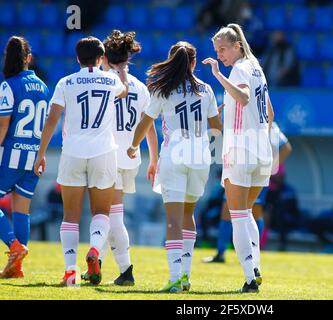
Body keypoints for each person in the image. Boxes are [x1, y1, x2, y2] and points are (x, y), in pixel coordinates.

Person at [128, 41, 222, 293]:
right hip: (200, 157)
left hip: (174, 156)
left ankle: (175, 276)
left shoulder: (162, 89)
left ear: (171, 61)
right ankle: (186, 276)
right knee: (188, 215)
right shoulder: (206, 89)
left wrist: (133, 146)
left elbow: (145, 123)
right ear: (193, 63)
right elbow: (217, 129)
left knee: (172, 220)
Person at [34, 36, 129, 285]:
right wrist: (118, 72)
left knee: (70, 216)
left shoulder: (66, 82)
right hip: (103, 151)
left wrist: (41, 153)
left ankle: (70, 271)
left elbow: (52, 119)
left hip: (73, 152)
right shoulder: (110, 80)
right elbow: (124, 91)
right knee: (101, 212)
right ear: (101, 59)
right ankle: (95, 250)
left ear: (77, 58)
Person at [79, 30, 157, 287]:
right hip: (131, 157)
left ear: (106, 58)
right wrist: (154, 158)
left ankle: (124, 269)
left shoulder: (102, 82)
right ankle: (100, 264)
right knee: (114, 213)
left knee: (109, 216)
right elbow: (149, 125)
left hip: (107, 153)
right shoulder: (140, 87)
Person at [203, 23, 274, 293]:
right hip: (263, 150)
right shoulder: (257, 68)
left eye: (223, 49)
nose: (219, 54)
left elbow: (243, 97)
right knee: (246, 214)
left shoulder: (238, 69)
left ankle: (249, 277)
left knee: (237, 214)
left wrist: (218, 75)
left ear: (237, 46)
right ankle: (255, 267)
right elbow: (269, 113)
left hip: (241, 149)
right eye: (216, 50)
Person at [203, 122, 292, 262]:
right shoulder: (237, 116)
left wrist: (269, 168)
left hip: (255, 173)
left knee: (254, 212)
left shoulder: (265, 122)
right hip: (238, 172)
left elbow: (286, 147)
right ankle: (221, 253)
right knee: (227, 211)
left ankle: (254, 254)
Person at [0, 36, 50, 278]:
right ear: (29, 59)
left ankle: (14, 246)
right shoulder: (43, 87)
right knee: (22, 210)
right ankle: (16, 268)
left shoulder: (8, 86)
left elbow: (2, 126)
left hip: (10, 155)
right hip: (33, 156)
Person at [264, 164, 303, 252]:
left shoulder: (288, 190)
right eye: (278, 175)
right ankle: (261, 244)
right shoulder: (268, 190)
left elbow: (294, 209)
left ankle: (282, 246)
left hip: (288, 219)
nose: (279, 177)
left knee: (282, 217)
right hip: (272, 219)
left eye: (281, 175)